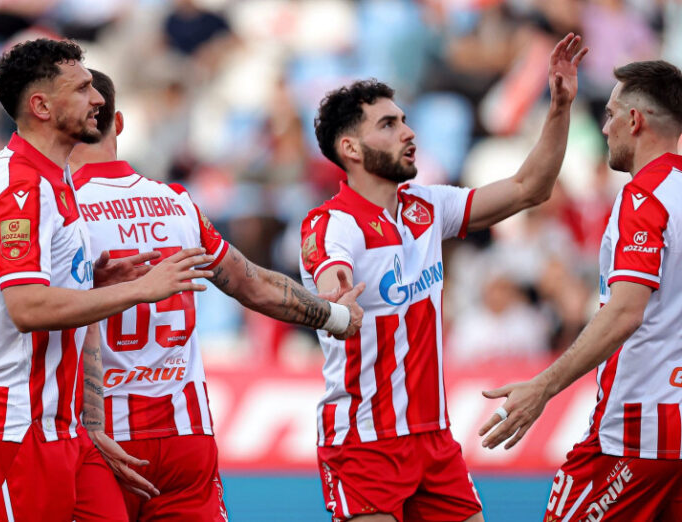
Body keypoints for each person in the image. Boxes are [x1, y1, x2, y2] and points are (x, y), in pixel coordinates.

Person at [299, 33, 587, 522]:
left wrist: (559, 108)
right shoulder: (333, 224)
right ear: (350, 148)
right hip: (365, 441)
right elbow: (333, 279)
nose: (408, 133)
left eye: (405, 120)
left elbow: (529, 188)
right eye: (389, 124)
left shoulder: (428, 207)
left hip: (434, 440)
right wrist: (335, 303)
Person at [67, 69, 364, 522]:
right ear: (119, 124)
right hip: (185, 434)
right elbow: (253, 285)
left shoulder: (61, 209)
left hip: (100, 434)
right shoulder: (177, 203)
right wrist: (336, 317)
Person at [0, 38, 218, 522]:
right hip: (18, 427)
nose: (97, 99)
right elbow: (26, 307)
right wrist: (138, 290)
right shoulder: (21, 187)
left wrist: (91, 281)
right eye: (82, 88)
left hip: (66, 425)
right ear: (41, 106)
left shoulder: (57, 179)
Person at [479, 60, 682, 521]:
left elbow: (625, 311)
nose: (606, 129)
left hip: (635, 433)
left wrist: (542, 387)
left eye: (610, 116)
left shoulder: (643, 198)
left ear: (635, 120)